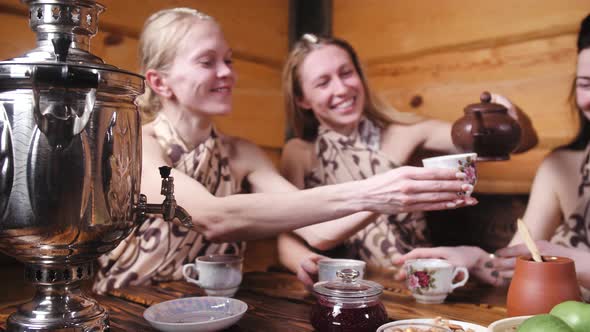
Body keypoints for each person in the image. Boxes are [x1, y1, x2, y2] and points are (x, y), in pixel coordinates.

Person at [93, 8, 473, 294]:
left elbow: (321, 230)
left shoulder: (243, 153)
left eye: (228, 60)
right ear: (160, 82)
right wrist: (374, 191)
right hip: (128, 305)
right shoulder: (136, 143)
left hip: (206, 311)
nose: (226, 73)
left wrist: (398, 192)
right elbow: (211, 216)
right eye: (208, 62)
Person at [276, 33, 537, 286]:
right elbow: (287, 234)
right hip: (356, 286)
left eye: (346, 73)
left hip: (424, 277)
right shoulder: (299, 154)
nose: (342, 88)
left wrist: (505, 117)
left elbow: (518, 144)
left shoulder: (408, 132)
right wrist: (306, 262)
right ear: (302, 99)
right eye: (323, 83)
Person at [394, 13, 590, 292]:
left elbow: (545, 259)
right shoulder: (560, 166)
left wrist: (570, 260)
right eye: (585, 84)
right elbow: (518, 266)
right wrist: (475, 260)